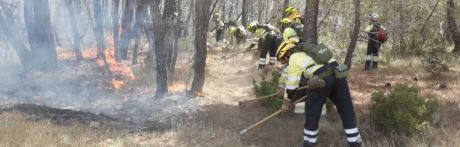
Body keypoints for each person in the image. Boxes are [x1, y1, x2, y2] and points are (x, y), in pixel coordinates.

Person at [276, 33, 363, 146]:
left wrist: (286, 103)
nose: (286, 62)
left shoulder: (294, 57)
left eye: (284, 60)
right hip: (339, 75)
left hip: (321, 80)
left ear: (286, 53)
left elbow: (292, 84)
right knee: (346, 110)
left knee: (312, 114)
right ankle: (355, 142)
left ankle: (309, 143)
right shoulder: (312, 51)